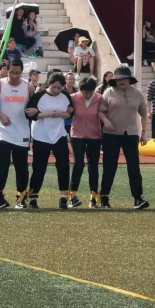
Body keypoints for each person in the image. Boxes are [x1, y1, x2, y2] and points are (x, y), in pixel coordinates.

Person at [98, 66, 149, 210]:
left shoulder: (137, 94)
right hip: (111, 134)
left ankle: (138, 198)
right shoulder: (108, 92)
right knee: (109, 166)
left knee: (134, 167)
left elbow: (144, 114)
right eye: (119, 79)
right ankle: (104, 196)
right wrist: (106, 121)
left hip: (131, 134)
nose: (122, 81)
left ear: (129, 79)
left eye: (125, 78)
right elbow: (100, 112)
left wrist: (144, 133)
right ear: (114, 80)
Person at [0, 59, 36, 209]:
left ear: (22, 72)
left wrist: (33, 111)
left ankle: (21, 198)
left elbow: (34, 105)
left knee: (21, 166)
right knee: (3, 162)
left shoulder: (28, 86)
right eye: (11, 72)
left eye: (17, 73)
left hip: (22, 130)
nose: (14, 76)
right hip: (3, 130)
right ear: (6, 71)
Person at [25, 73, 74, 210]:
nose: (56, 90)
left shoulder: (65, 96)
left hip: (59, 135)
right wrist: (47, 114)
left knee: (63, 165)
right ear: (48, 84)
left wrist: (64, 114)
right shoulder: (39, 96)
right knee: (39, 168)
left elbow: (71, 112)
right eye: (54, 87)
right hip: (41, 136)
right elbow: (29, 113)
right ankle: (33, 198)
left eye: (59, 87)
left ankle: (63, 196)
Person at [68, 77, 103, 209]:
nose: (88, 95)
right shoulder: (73, 98)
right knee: (79, 164)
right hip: (77, 135)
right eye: (85, 92)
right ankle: (72, 196)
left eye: (90, 92)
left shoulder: (99, 98)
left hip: (95, 135)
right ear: (80, 90)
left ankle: (94, 196)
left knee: (93, 165)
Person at [64, 72, 78, 136]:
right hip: (63, 121)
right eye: (69, 79)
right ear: (65, 80)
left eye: (73, 79)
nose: (71, 81)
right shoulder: (61, 92)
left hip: (75, 122)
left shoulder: (78, 93)